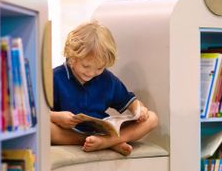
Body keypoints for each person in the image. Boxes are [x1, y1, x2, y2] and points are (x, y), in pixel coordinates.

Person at [50, 21, 158, 156]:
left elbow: (130, 101)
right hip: (70, 132)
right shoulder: (54, 77)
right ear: (72, 56)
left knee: (152, 118)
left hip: (103, 131)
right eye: (86, 66)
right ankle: (105, 142)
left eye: (99, 68)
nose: (90, 73)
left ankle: (107, 141)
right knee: (47, 128)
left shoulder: (107, 79)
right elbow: (40, 115)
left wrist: (139, 109)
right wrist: (56, 117)